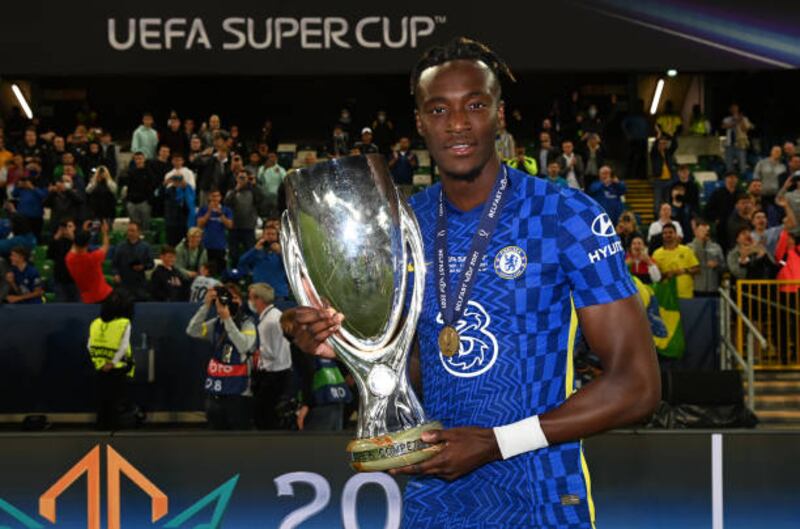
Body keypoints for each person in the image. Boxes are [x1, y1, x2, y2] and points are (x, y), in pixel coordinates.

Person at [285, 37, 659, 528]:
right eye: (439, 109)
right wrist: (350, 346)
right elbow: (417, 371)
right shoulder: (402, 227)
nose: (458, 124)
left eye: (475, 105)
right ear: (419, 121)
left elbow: (638, 385)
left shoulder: (565, 216)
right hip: (434, 506)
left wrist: (497, 442)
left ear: (499, 114)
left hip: (542, 504)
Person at [186, 283, 256, 430]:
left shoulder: (247, 323)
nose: (230, 302)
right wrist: (206, 306)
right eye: (226, 299)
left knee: (238, 435)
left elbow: (244, 346)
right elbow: (192, 330)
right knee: (216, 435)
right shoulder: (216, 323)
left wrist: (228, 320)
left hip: (238, 392)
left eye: (234, 298)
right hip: (216, 390)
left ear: (241, 301)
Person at [88, 290, 136, 430]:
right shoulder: (124, 323)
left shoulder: (95, 323)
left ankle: (101, 427)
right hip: (118, 368)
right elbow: (123, 346)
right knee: (116, 400)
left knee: (102, 400)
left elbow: (89, 344)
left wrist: (100, 363)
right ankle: (114, 431)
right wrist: (112, 363)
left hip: (100, 367)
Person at [247, 283, 293, 430]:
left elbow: (270, 353)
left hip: (273, 375)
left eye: (252, 298)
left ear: (259, 300)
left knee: (264, 416)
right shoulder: (276, 315)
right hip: (282, 372)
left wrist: (253, 350)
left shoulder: (268, 322)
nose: (251, 302)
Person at [224, 170, 265, 266]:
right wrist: (236, 190)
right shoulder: (231, 191)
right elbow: (226, 204)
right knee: (234, 253)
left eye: (244, 178)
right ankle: (234, 271)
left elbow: (261, 200)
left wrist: (253, 185)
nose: (242, 180)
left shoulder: (253, 191)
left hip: (248, 227)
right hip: (234, 227)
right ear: (236, 178)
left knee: (250, 251)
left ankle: (249, 272)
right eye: (240, 177)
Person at [238, 225, 289, 300]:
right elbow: (242, 262)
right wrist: (255, 249)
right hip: (260, 293)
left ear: (277, 237)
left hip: (278, 293)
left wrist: (280, 253)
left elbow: (291, 267)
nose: (270, 236)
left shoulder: (284, 251)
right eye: (268, 234)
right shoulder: (256, 251)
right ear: (263, 236)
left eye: (273, 234)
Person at [66, 222, 113, 304]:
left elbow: (75, 245)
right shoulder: (92, 258)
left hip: (87, 299)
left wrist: (84, 232)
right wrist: (105, 232)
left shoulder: (69, 258)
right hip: (103, 295)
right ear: (87, 244)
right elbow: (106, 246)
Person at [652, 223, 700, 299]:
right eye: (665, 233)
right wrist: (666, 275)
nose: (668, 235)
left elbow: (697, 269)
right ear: (662, 235)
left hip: (685, 294)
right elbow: (655, 276)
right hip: (666, 296)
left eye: (670, 232)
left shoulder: (686, 250)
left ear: (676, 234)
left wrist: (685, 270)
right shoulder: (656, 254)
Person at [111, 221, 153, 301]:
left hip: (139, 283)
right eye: (129, 230)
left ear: (139, 232)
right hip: (124, 283)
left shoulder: (145, 247)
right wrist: (116, 274)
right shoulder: (120, 247)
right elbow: (114, 264)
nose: (130, 233)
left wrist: (143, 267)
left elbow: (151, 264)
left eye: (133, 230)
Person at [197, 189, 234, 273]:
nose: (215, 198)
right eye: (213, 196)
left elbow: (230, 225)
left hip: (220, 245)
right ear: (209, 197)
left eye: (217, 196)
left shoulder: (226, 210)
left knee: (221, 270)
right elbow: (199, 224)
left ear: (220, 198)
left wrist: (221, 214)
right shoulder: (203, 209)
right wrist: (209, 212)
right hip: (206, 245)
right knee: (207, 270)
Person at [119, 152, 156, 231]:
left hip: (144, 202)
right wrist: (129, 201)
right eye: (136, 159)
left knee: (145, 226)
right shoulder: (130, 172)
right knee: (134, 226)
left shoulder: (149, 172)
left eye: (140, 158)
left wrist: (148, 201)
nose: (138, 160)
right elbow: (127, 187)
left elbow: (152, 187)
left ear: (144, 159)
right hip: (132, 202)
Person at [687, 220, 725, 297]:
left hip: (713, 289)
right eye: (702, 230)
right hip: (696, 288)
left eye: (707, 230)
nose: (705, 232)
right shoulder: (689, 248)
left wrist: (717, 265)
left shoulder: (716, 247)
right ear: (696, 232)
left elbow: (724, 266)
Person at [705, 171, 742, 249]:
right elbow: (707, 210)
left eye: (734, 178)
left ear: (737, 180)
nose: (732, 180)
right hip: (723, 226)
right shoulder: (717, 193)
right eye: (730, 178)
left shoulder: (740, 193)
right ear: (725, 180)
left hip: (738, 225)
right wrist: (716, 218)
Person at [48, 218, 80, 302]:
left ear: (74, 228)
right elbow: (49, 255)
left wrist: (72, 237)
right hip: (60, 279)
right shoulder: (57, 242)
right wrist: (56, 237)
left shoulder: (79, 240)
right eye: (65, 227)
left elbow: (82, 252)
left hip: (76, 280)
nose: (67, 229)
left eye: (70, 226)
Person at [163, 168, 197, 247]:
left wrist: (184, 186)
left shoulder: (187, 190)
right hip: (171, 222)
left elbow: (190, 203)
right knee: (171, 245)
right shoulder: (169, 190)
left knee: (183, 246)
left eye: (179, 179)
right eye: (175, 179)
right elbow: (158, 196)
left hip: (183, 223)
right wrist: (165, 183)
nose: (177, 181)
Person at [11, 175, 48, 239]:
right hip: (22, 217)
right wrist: (18, 186)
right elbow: (14, 194)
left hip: (36, 217)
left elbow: (43, 196)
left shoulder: (41, 188)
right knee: (20, 235)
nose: (26, 183)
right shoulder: (22, 189)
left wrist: (32, 188)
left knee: (36, 236)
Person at [721, 104, 754, 173]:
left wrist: (741, 120)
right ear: (730, 110)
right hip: (729, 145)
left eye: (736, 108)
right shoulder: (727, 119)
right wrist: (736, 121)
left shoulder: (744, 119)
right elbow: (724, 126)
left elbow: (745, 129)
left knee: (742, 166)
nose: (734, 110)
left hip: (740, 145)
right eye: (732, 108)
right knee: (729, 166)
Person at [256, 152, 286, 216]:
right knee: (264, 214)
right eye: (270, 157)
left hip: (276, 196)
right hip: (264, 196)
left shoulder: (281, 169)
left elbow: (285, 180)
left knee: (275, 215)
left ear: (276, 158)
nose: (271, 158)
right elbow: (259, 180)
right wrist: (265, 169)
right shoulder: (261, 168)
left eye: (273, 156)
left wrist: (279, 172)